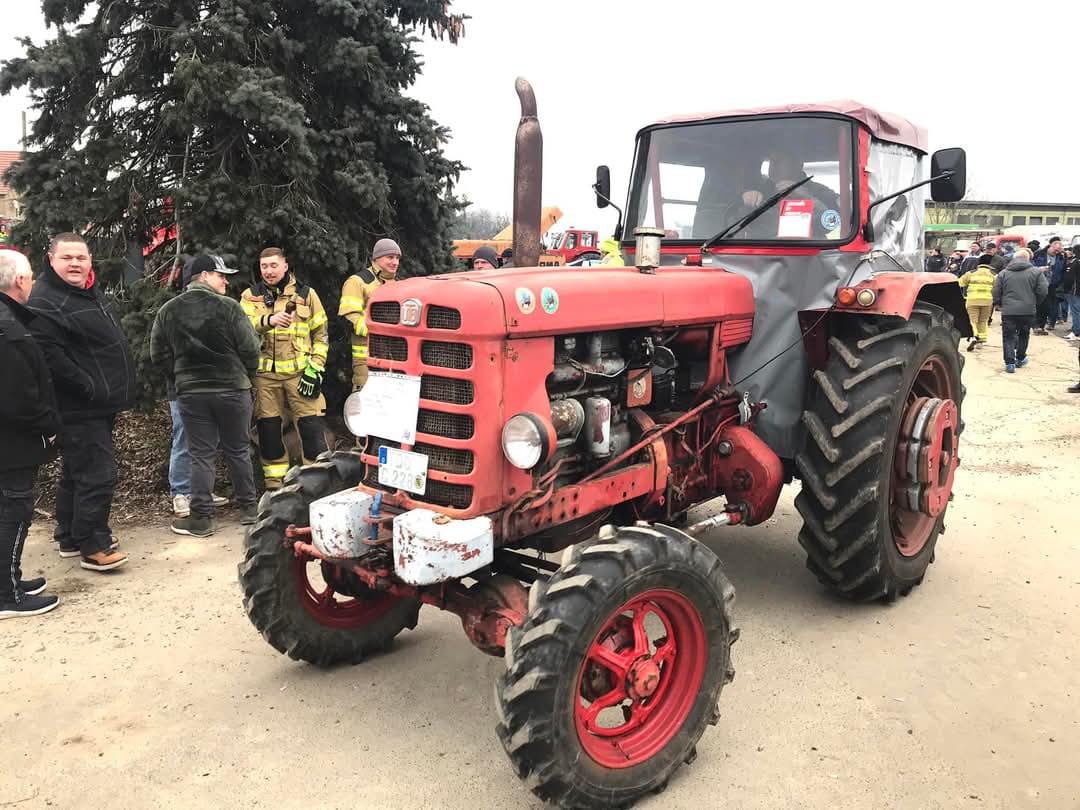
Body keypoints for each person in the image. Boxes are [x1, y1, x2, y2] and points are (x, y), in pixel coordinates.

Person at [27, 233, 131, 571]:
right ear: (51, 260)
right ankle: (94, 544)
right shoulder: (45, 300)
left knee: (77, 470)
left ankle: (70, 535)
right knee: (99, 473)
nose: (75, 264)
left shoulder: (86, 291)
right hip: (77, 405)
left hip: (98, 403)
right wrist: (89, 385)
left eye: (81, 258)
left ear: (90, 261)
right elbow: (49, 356)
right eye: (67, 257)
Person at [151, 255, 261, 537]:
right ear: (203, 276)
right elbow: (251, 349)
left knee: (201, 455)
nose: (226, 281)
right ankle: (249, 510)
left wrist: (181, 378)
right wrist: (244, 376)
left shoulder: (168, 311)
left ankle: (201, 519)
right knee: (238, 450)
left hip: (192, 394)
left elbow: (158, 354)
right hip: (233, 390)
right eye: (220, 275)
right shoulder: (229, 307)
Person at [0, 250, 61, 618]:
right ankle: (7, 595)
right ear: (20, 281)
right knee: (14, 511)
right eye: (31, 277)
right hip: (13, 443)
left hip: (9, 439)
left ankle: (9, 580)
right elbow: (17, 396)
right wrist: (48, 425)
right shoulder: (8, 329)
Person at [241, 247, 329, 489]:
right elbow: (242, 329)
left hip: (301, 375)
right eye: (264, 266)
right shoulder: (250, 296)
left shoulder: (306, 295)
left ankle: (315, 485)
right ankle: (275, 487)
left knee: (311, 429)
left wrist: (315, 368)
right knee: (268, 432)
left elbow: (321, 334)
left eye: (273, 265)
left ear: (285, 266)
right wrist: (268, 320)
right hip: (265, 378)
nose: (269, 271)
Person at [339, 238, 400, 392]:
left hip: (395, 361)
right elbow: (348, 319)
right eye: (390, 257)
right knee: (365, 402)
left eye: (397, 258)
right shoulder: (358, 281)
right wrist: (380, 331)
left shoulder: (398, 285)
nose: (395, 262)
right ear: (377, 258)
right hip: (366, 363)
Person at [991, 247, 1047, 373]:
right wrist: (1035, 302)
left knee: (1008, 336)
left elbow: (996, 290)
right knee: (1024, 334)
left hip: (1009, 310)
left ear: (1014, 258)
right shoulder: (1036, 272)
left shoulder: (1004, 273)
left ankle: (1009, 363)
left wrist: (999, 303)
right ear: (1028, 258)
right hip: (1028, 309)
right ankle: (1020, 358)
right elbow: (1043, 290)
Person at [958, 256, 995, 350]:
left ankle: (974, 336)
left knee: (972, 320)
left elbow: (960, 283)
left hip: (972, 300)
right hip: (987, 301)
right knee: (983, 321)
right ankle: (981, 342)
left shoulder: (971, 273)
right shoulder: (993, 274)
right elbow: (997, 287)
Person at [1033, 238, 1065, 334]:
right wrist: (1039, 269)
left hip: (1052, 285)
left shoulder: (1061, 257)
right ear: (1050, 246)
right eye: (1055, 250)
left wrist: (1059, 284)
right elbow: (1030, 267)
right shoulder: (1038, 254)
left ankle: (1041, 326)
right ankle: (1036, 326)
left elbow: (1062, 272)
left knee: (1047, 307)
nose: (1056, 252)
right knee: (1038, 305)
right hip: (1039, 284)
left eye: (1058, 251)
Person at [1059, 247, 1080, 342]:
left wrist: (1066, 289)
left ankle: (1076, 332)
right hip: (1075, 290)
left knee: (1076, 311)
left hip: (1074, 290)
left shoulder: (1075, 263)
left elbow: (1069, 278)